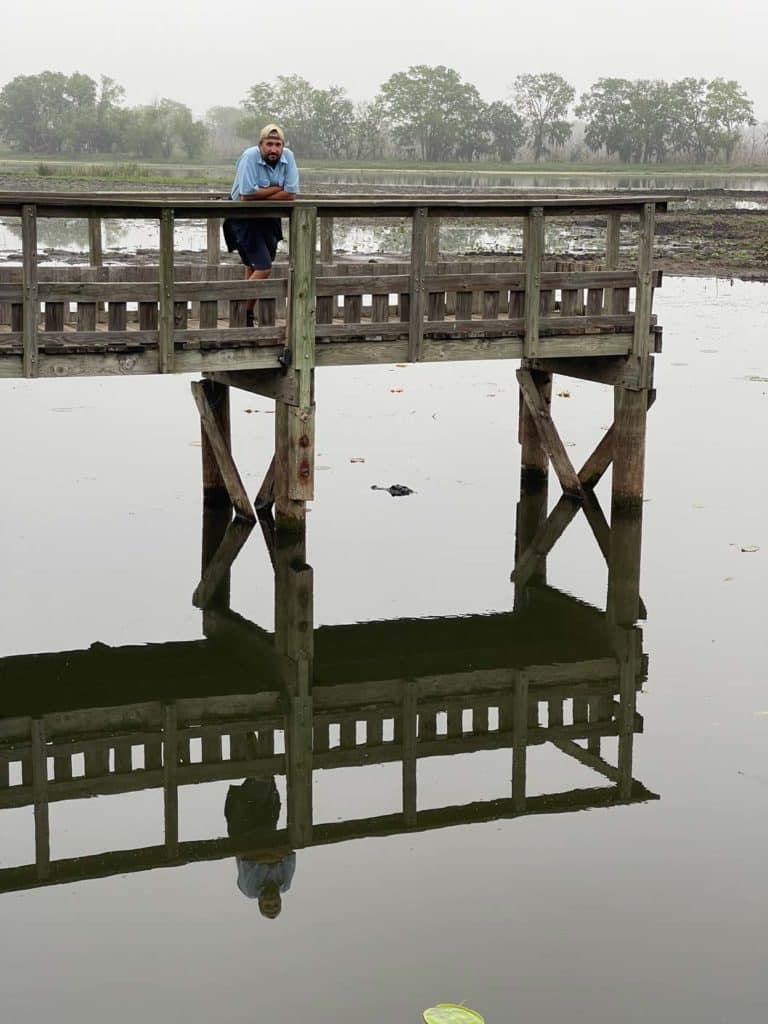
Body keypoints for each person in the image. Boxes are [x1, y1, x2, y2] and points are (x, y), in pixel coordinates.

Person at [223, 124, 299, 326]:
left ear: (283, 146)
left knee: (252, 267)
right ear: (261, 145)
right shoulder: (249, 156)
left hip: (269, 218)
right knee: (264, 268)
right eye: (269, 144)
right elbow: (246, 196)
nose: (274, 149)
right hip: (243, 218)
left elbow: (291, 194)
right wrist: (276, 188)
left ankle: (245, 316)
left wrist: (262, 191)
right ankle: (238, 310)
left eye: (278, 145)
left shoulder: (288, 157)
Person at [224, 775, 296, 918]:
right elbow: (287, 851)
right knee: (266, 777)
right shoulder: (285, 884)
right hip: (267, 825)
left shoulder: (249, 890)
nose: (271, 902)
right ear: (280, 900)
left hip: (243, 829)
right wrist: (261, 857)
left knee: (260, 777)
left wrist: (272, 856)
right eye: (275, 905)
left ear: (260, 902)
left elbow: (244, 855)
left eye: (268, 906)